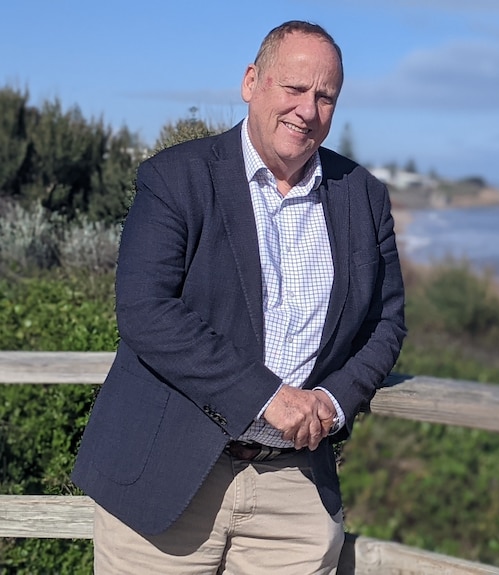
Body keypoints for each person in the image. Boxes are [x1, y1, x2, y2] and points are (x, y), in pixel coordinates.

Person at [72, 20, 407, 574]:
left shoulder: (363, 196)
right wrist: (266, 396)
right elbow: (145, 310)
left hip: (293, 489)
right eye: (294, 89)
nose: (308, 109)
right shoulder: (176, 177)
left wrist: (332, 400)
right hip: (166, 477)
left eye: (325, 96)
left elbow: (387, 323)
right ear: (252, 82)